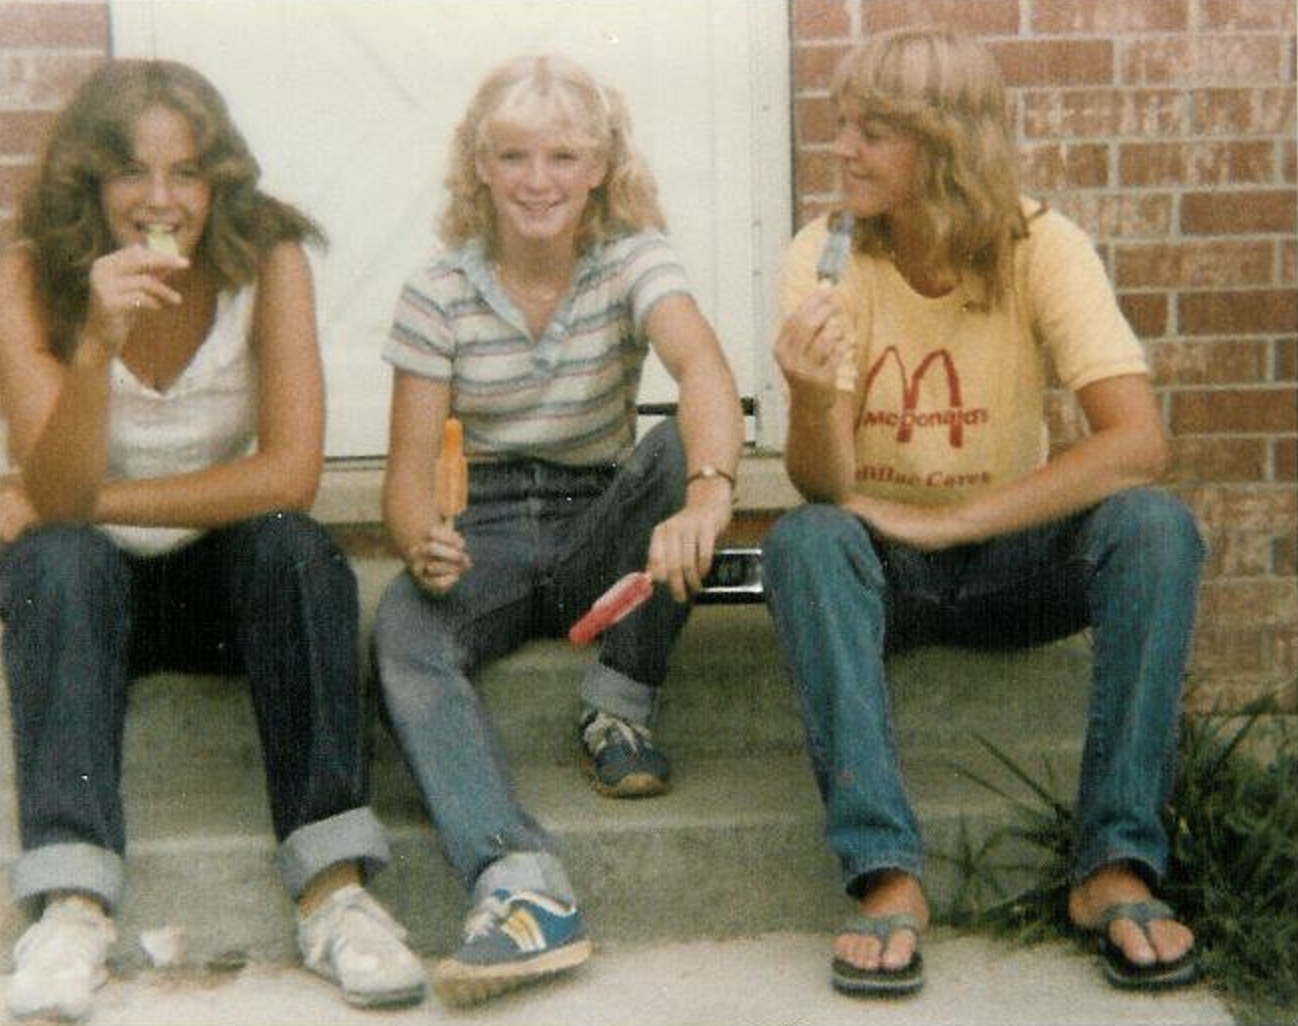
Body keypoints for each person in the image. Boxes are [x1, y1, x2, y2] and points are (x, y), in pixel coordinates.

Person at [763, 27, 1203, 998]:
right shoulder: (822, 254)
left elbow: (1135, 442)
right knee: (802, 541)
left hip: (1008, 563)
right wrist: (803, 396)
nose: (840, 149)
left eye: (870, 131)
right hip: (882, 568)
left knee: (1154, 526)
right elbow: (825, 489)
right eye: (841, 125)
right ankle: (885, 876)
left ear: (944, 142)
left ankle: (1113, 864)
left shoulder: (1040, 244)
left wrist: (957, 521)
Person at [0, 60, 426, 1020]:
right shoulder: (26, 275)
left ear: (218, 179)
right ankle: (70, 906)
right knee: (51, 559)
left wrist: (86, 495)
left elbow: (290, 473)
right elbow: (60, 510)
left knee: (297, 547)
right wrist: (97, 341)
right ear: (91, 184)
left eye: (186, 173)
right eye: (133, 175)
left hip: (219, 589)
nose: (162, 201)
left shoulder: (265, 257)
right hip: (91, 598)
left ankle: (334, 894)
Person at [374, 54, 742, 1006]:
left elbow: (701, 369)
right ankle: (520, 886)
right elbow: (407, 478)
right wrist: (422, 538)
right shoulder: (439, 290)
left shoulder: (632, 256)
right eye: (514, 157)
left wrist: (707, 496)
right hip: (485, 526)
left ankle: (618, 699)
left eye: (562, 157)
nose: (538, 181)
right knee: (404, 631)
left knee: (674, 457)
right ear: (481, 170)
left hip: (597, 518)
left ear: (598, 169)